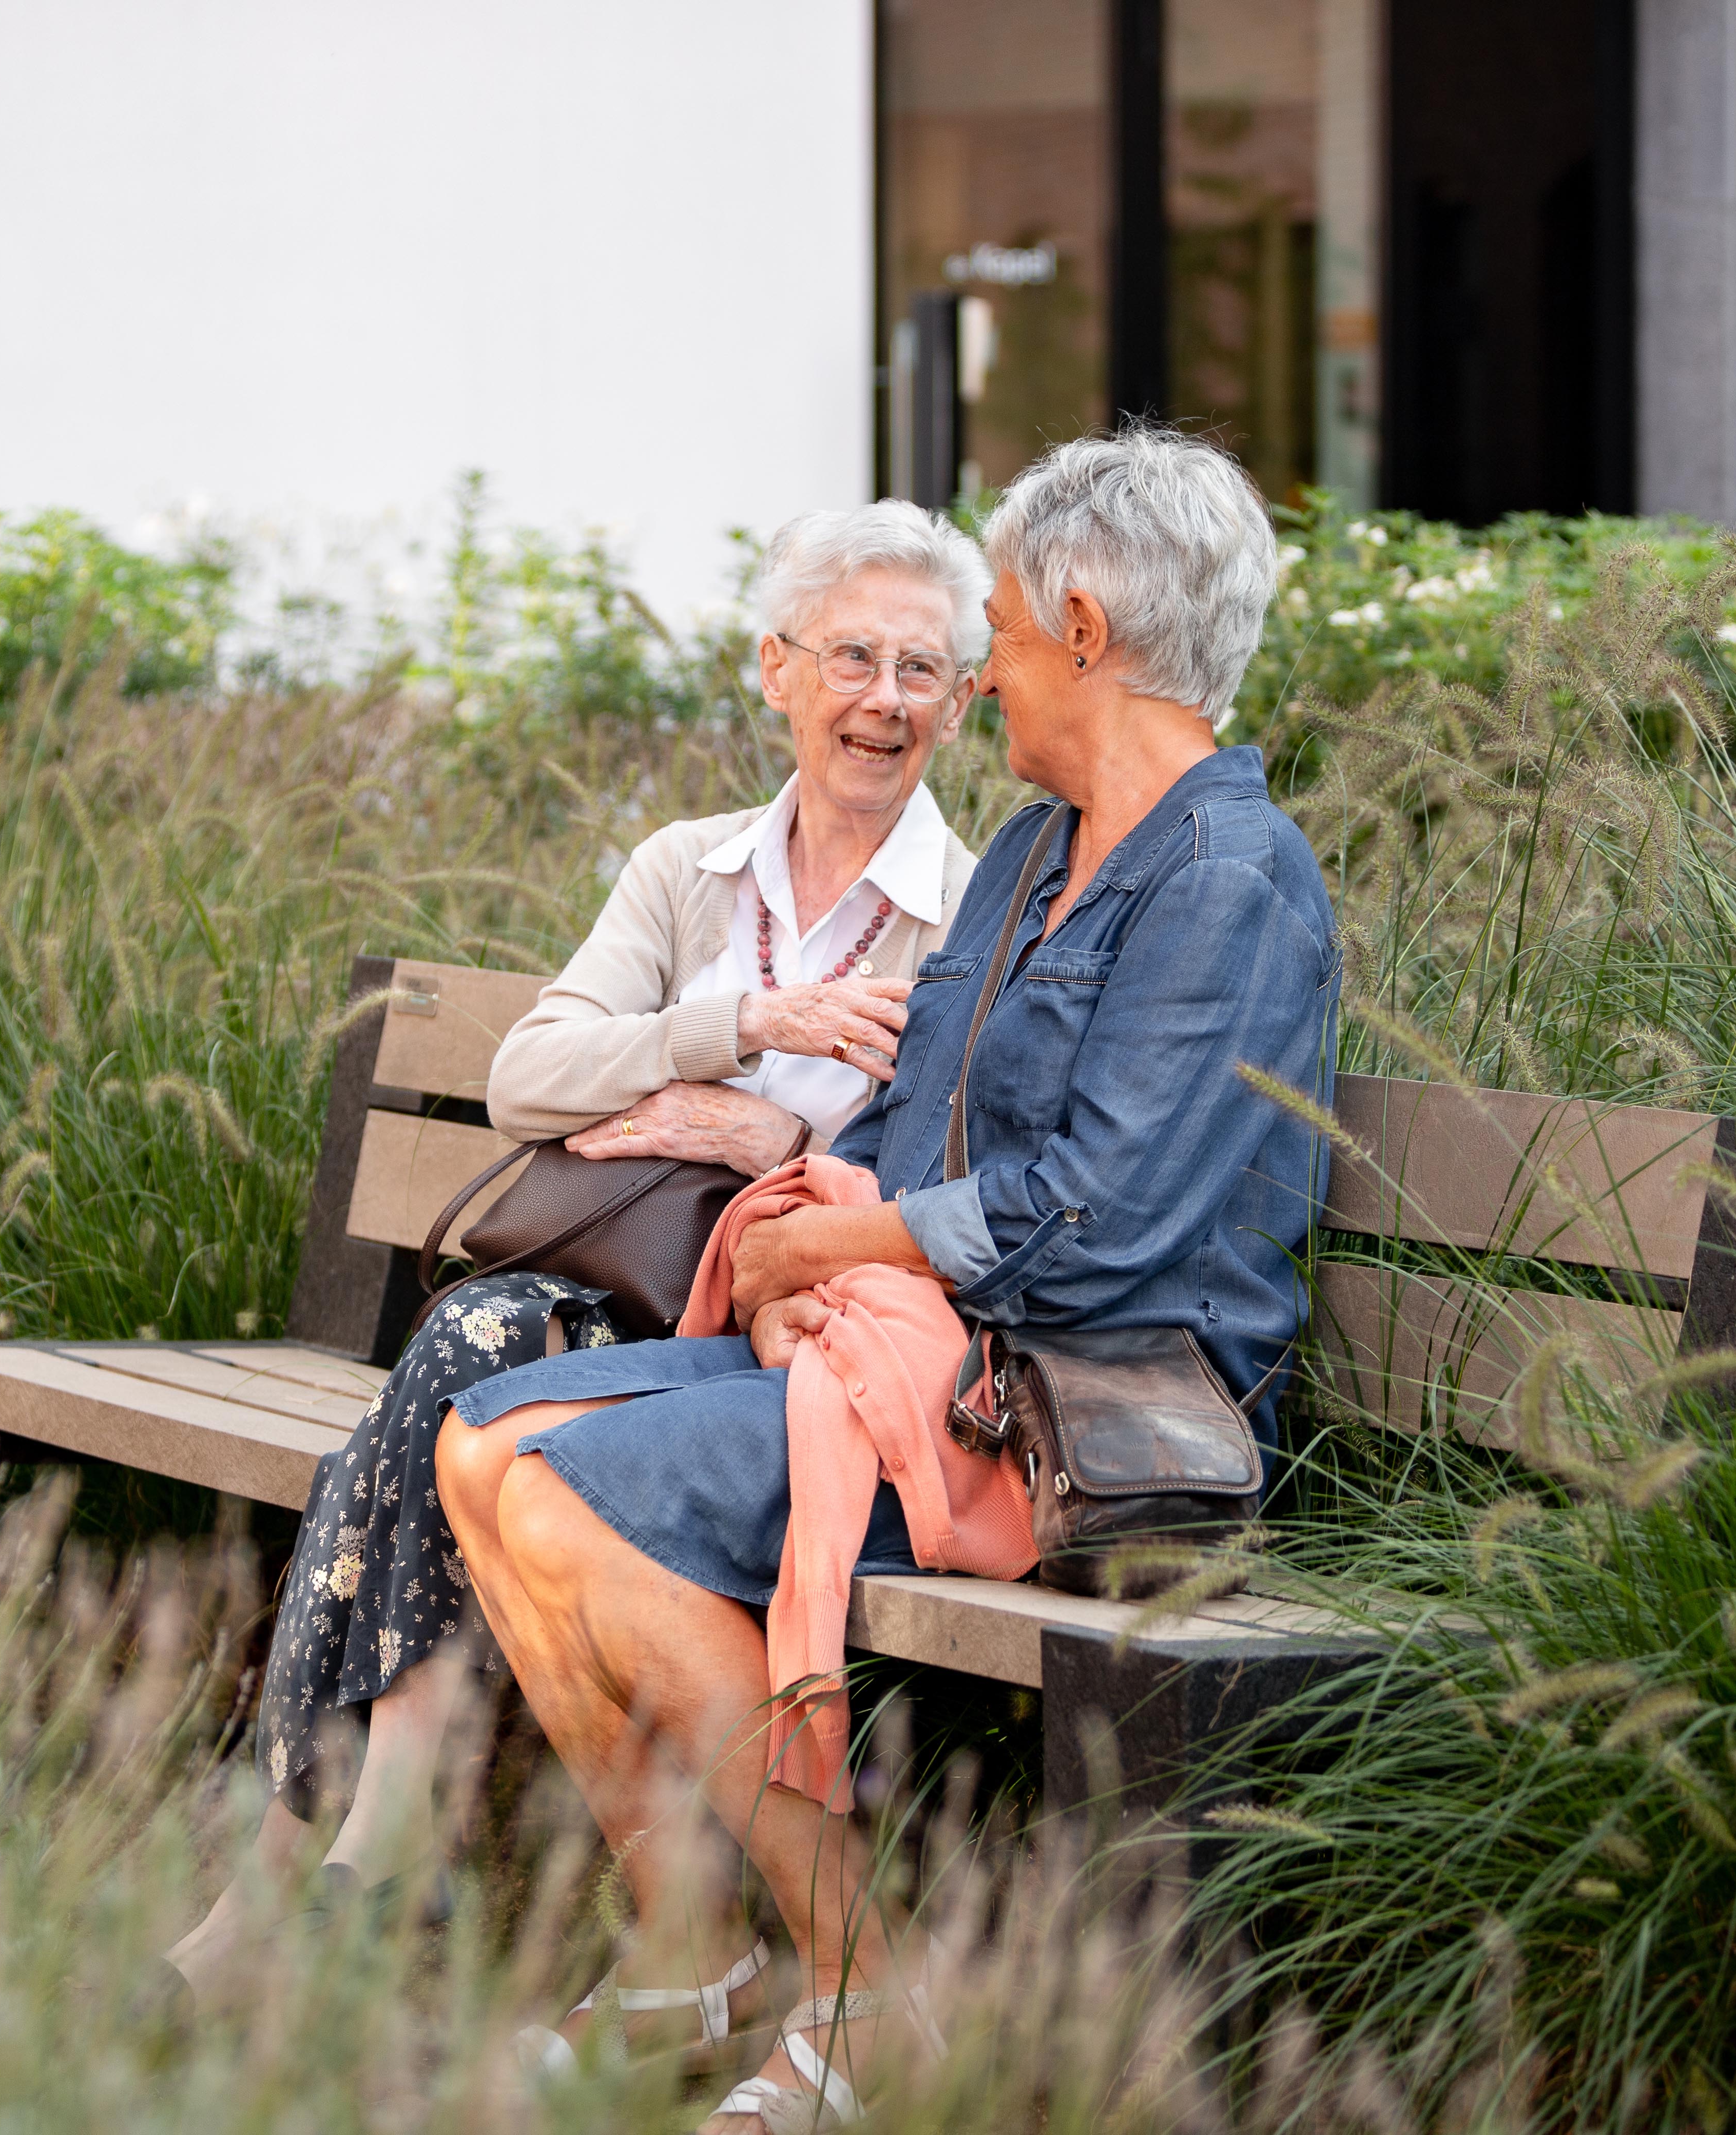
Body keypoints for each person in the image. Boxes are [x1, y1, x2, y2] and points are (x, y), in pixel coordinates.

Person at [434, 426, 1340, 2131]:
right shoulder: (1024, 860)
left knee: (564, 1499)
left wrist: (841, 1244)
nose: (972, 680)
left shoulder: (1230, 881)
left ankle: (866, 1994)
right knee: (481, 1441)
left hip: (1076, 1415)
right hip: (921, 1353)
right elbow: (921, 1133)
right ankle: (689, 1954)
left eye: (989, 633)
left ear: (1084, 628)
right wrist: (795, 1263)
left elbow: (1107, 1227)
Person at [163, 501, 993, 2029]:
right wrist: (730, 1039)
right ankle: (343, 1847)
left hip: (764, 1327)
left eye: (923, 672)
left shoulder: (966, 917)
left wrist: (758, 1150)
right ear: (777, 669)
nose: (885, 699)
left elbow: (933, 1180)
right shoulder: (693, 870)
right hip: (605, 1300)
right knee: (459, 1370)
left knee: (437, 1389)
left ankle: (309, 1868)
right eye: (855, 657)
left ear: (960, 703)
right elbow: (528, 1078)